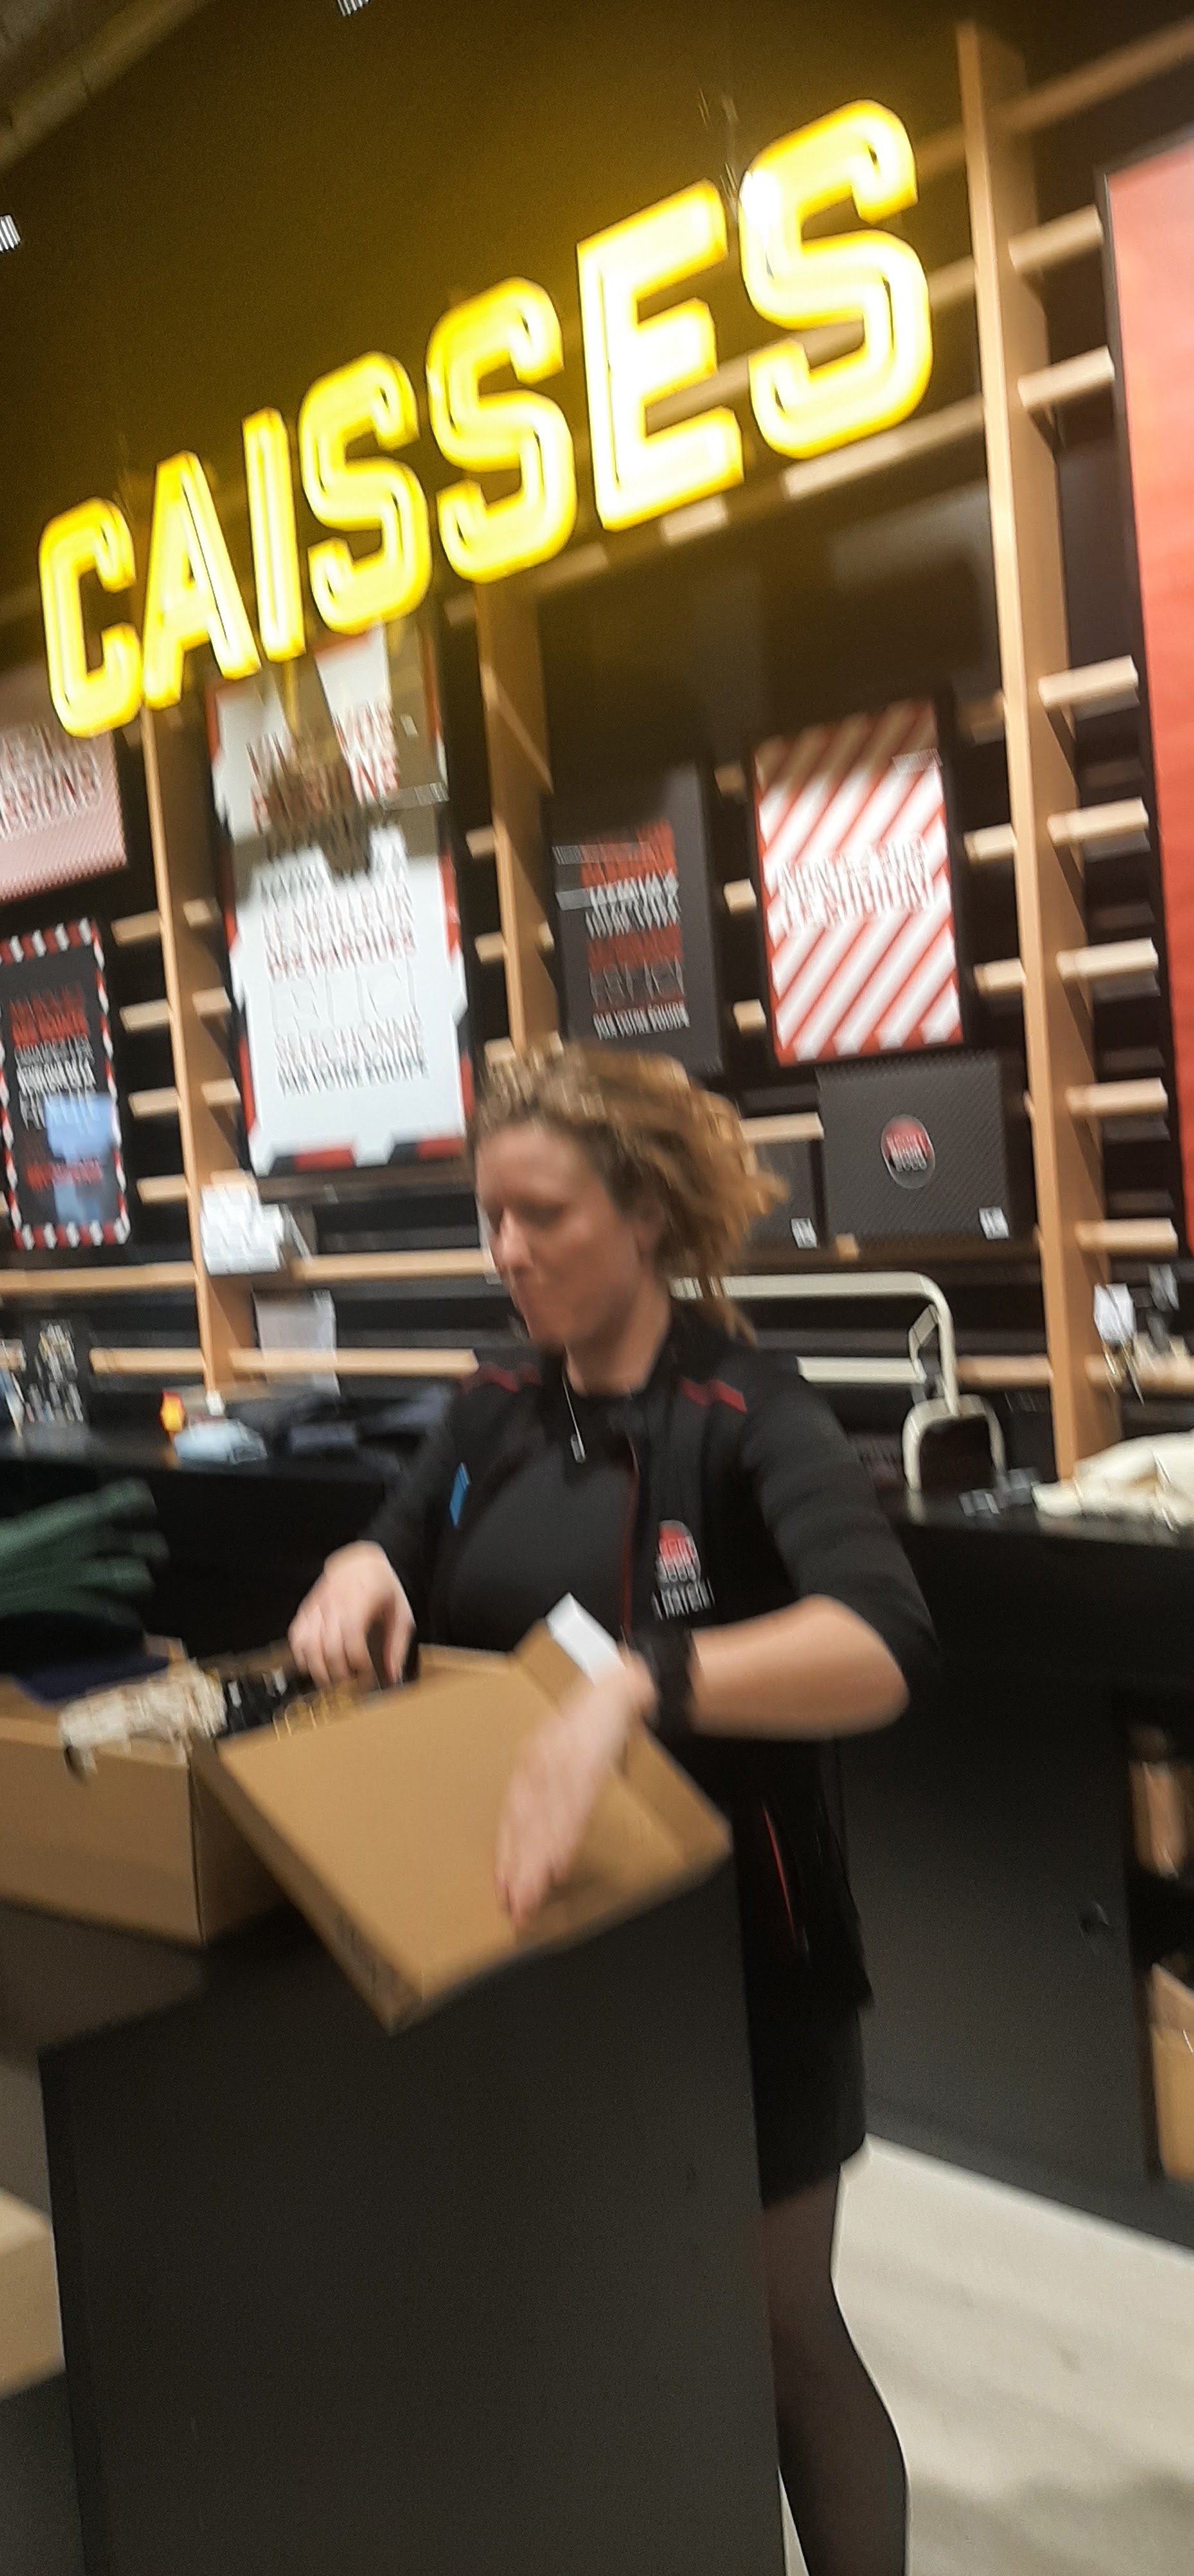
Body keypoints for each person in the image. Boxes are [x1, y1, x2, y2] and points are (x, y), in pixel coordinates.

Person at [290, 1043, 935, 2576]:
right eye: (492, 1219)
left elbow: (883, 1642)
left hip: (746, 1969)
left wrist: (639, 1684)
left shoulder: (745, 1406)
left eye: (545, 1216)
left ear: (644, 1215)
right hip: (544, 1950)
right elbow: (392, 1541)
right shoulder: (493, 1406)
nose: (507, 1252)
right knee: (605, 2323)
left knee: (780, 2335)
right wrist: (359, 1566)